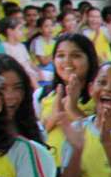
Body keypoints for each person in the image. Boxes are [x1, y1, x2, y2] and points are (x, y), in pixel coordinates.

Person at [38, 33, 99, 163]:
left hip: (87, 172)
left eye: (76, 55)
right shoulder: (44, 94)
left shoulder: (101, 94)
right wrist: (54, 117)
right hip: (49, 169)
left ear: (90, 59)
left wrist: (72, 108)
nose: (67, 61)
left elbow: (99, 138)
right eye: (60, 55)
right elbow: (39, 136)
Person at [0, 17, 40, 87]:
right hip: (20, 73)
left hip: (30, 72)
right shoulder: (5, 47)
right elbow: (12, 65)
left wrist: (39, 71)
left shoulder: (21, 46)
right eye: (20, 29)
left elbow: (29, 62)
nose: (22, 32)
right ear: (10, 31)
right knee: (32, 78)